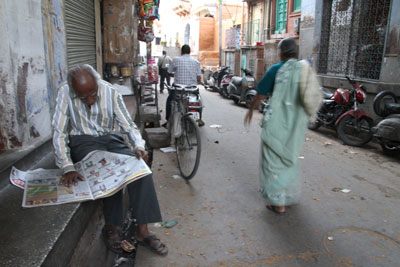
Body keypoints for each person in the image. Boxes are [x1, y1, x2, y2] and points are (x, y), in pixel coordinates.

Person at [52, 64, 168, 255]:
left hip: (109, 138)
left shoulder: (110, 91)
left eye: (93, 93)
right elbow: (59, 132)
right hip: (83, 141)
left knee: (140, 169)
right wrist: (67, 166)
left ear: (97, 83)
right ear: (74, 91)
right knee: (107, 170)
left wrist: (138, 145)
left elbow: (128, 125)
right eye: (83, 97)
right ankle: (112, 226)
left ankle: (142, 231)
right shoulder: (64, 93)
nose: (90, 100)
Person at [244, 38, 322, 214]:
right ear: (296, 52)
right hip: (295, 127)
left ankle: (277, 202)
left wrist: (250, 110)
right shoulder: (305, 70)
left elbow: (261, 94)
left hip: (276, 124)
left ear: (281, 53)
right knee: (289, 160)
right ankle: (287, 196)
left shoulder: (276, 69)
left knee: (272, 163)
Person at [166, 44, 205, 127]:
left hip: (178, 88)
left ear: (181, 52)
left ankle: (167, 120)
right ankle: (200, 118)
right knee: (198, 101)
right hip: (191, 89)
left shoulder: (176, 60)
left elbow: (169, 72)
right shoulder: (196, 62)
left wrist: (175, 75)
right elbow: (198, 77)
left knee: (169, 101)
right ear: (189, 52)